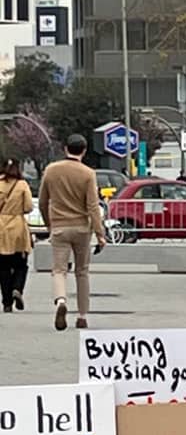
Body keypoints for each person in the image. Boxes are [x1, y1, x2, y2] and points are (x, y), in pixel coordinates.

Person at [38, 135, 105, 332]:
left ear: (65, 148)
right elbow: (93, 206)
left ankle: (61, 301)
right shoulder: (88, 173)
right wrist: (100, 233)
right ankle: (82, 315)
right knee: (82, 272)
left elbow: (42, 202)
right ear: (84, 150)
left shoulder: (51, 170)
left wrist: (49, 224)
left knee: (59, 270)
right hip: (82, 228)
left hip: (59, 227)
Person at [0, 159, 31, 313]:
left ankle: (7, 302)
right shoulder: (22, 185)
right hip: (18, 226)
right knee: (21, 264)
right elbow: (28, 207)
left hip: (1, 226)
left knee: (3, 267)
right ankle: (17, 288)